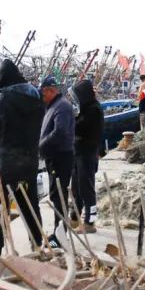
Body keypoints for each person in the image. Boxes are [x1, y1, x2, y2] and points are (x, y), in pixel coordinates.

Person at [0, 59, 45, 254]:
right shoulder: (37, 100)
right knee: (30, 206)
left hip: (3, 165)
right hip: (29, 163)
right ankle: (37, 246)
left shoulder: (0, 100)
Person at [38, 76, 75, 247]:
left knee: (59, 196)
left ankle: (60, 235)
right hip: (55, 157)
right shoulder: (54, 105)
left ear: (50, 90)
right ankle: (58, 232)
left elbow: (59, 131)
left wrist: (41, 146)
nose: (42, 98)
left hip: (61, 157)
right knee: (55, 194)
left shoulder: (63, 107)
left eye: (43, 94)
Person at [72, 79, 104, 233]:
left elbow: (82, 127)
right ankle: (74, 217)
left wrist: (71, 122)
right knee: (77, 188)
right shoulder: (86, 109)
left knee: (87, 188)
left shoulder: (94, 110)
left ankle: (90, 222)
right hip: (79, 153)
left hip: (87, 153)